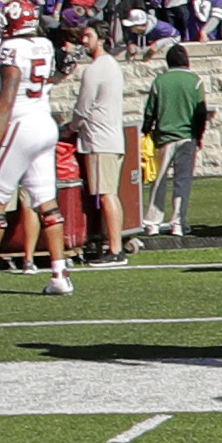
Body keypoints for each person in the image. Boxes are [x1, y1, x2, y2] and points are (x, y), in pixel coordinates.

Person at [0, 5, 67, 299]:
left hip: (20, 127)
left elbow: (7, 98)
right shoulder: (44, 44)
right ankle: (60, 274)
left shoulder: (12, 49)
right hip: (45, 124)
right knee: (46, 202)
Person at [69, 20, 132, 262]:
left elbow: (82, 108)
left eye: (88, 35)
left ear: (102, 38)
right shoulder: (111, 65)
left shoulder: (95, 69)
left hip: (99, 140)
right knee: (108, 193)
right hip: (109, 137)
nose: (84, 40)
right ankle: (113, 245)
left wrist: (70, 129)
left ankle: (115, 249)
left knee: (106, 194)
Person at [144, 42, 207, 239]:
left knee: (159, 180)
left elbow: (149, 112)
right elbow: (201, 113)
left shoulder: (159, 81)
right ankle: (178, 223)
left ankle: (152, 223)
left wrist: (145, 132)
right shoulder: (195, 81)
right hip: (187, 136)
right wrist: (198, 135)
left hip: (164, 137)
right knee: (182, 181)